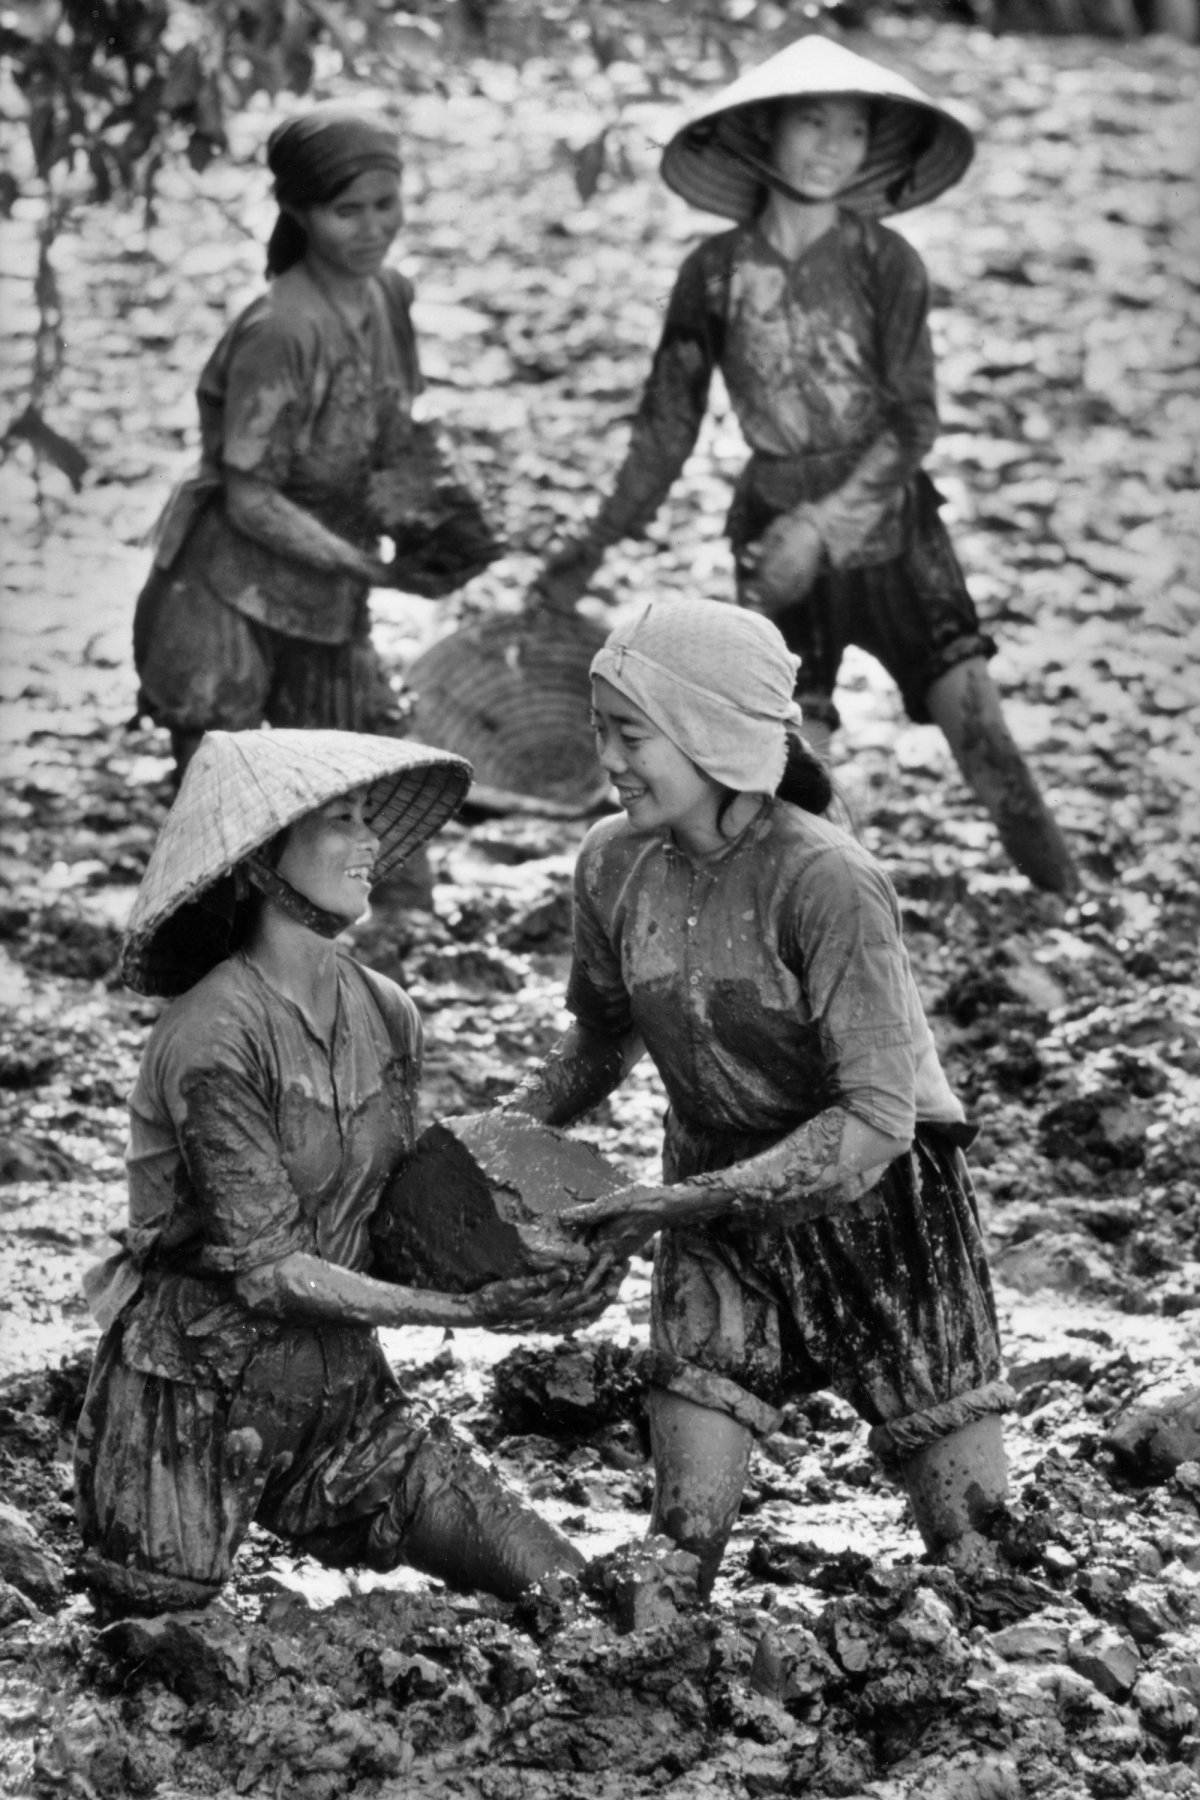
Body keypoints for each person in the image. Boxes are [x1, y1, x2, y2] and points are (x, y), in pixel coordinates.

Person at [500, 598, 1015, 1598]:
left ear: (713, 736)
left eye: (630, 732)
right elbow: (599, 1041)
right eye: (599, 726)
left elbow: (874, 1120)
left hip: (885, 1217)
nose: (605, 755)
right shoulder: (613, 861)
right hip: (713, 1205)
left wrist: (670, 1207)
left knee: (982, 1556)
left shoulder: (828, 881)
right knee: (675, 1557)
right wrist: (502, 1133)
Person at [532, 37, 1077, 895]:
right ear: (763, 133)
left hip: (893, 527)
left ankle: (1065, 901)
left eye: (855, 130)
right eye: (811, 122)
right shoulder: (714, 273)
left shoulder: (883, 261)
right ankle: (812, 928)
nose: (833, 144)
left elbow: (912, 418)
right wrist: (589, 548)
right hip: (771, 529)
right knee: (787, 759)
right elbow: (665, 431)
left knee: (979, 726)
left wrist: (823, 525)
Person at [75, 728, 595, 1619]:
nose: (371, 845)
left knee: (562, 1584)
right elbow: (269, 1268)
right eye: (340, 823)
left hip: (341, 1399)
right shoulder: (213, 1035)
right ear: (258, 862)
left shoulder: (388, 1012)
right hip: (189, 1404)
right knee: (157, 1648)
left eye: (370, 822)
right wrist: (460, 1314)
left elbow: (390, 1222)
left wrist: (536, 1263)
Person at [132, 103, 498, 784]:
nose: (373, 229)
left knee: (367, 781)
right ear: (300, 214)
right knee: (223, 803)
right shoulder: (281, 331)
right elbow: (250, 501)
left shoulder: (390, 295)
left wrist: (443, 519)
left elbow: (394, 432)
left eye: (386, 204)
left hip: (330, 590)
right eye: (346, 212)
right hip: (231, 589)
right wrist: (374, 570)